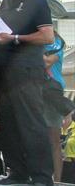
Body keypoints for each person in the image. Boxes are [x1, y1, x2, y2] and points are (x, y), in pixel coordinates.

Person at [0, 0, 54, 186]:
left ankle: (42, 177)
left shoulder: (37, 0)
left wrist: (15, 38)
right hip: (4, 69)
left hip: (26, 71)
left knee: (31, 122)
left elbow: (47, 36)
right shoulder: (7, 0)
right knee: (8, 123)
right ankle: (16, 172)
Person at [43, 32, 67, 182]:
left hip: (53, 91)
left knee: (54, 139)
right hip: (33, 90)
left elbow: (47, 62)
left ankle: (57, 180)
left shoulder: (56, 41)